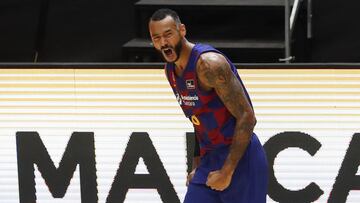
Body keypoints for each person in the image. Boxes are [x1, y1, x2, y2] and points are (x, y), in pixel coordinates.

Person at [148, 8, 268, 203]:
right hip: (209, 160)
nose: (163, 42)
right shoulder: (170, 71)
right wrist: (197, 165)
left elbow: (247, 117)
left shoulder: (209, 64)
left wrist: (227, 172)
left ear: (182, 30)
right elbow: (197, 119)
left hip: (241, 160)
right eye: (156, 37)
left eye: (168, 34)